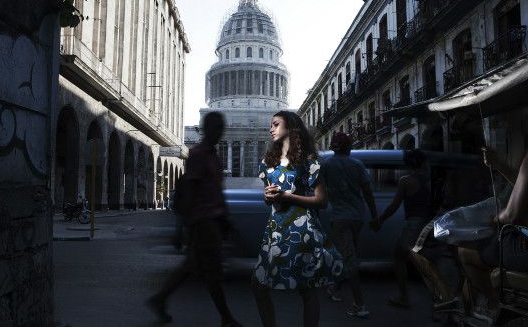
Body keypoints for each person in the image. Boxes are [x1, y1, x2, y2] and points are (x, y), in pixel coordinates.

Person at [458, 90, 528, 317]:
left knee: (465, 250)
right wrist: (500, 165)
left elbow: (512, 215)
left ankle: (494, 305)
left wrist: (495, 220)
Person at [148, 112, 241, 327]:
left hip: (212, 220)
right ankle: (226, 317)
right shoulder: (199, 154)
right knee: (213, 272)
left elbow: (217, 191)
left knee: (193, 267)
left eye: (221, 128)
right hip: (203, 222)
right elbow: (189, 189)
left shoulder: (213, 156)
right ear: (206, 129)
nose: (219, 132)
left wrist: (226, 218)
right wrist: (184, 226)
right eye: (216, 127)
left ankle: (160, 299)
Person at [252, 111, 343, 327]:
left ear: (291, 127)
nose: (271, 129)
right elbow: (271, 200)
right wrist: (268, 197)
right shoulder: (268, 163)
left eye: (276, 124)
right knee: (258, 285)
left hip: (302, 231)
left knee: (307, 289)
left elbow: (322, 201)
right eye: (270, 125)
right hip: (275, 231)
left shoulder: (308, 161)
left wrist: (286, 196)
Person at [320, 132, 379, 318]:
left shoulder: (326, 165)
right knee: (348, 253)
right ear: (348, 147)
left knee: (349, 258)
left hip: (339, 217)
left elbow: (319, 193)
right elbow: (368, 192)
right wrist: (375, 216)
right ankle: (335, 288)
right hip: (357, 217)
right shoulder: (357, 164)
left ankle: (359, 304)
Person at [377, 149, 434, 308]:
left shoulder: (405, 180)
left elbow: (394, 206)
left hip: (413, 225)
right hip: (428, 224)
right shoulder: (428, 179)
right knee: (424, 262)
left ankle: (404, 297)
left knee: (399, 257)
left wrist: (380, 219)